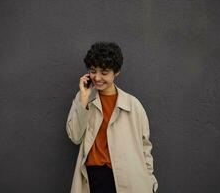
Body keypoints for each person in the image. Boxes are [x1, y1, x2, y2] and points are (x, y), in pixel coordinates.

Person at [66, 42, 158, 193]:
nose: (97, 77)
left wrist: (150, 181)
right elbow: (75, 136)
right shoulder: (83, 98)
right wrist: (83, 99)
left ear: (116, 72)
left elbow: (145, 148)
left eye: (104, 72)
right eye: (93, 71)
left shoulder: (133, 105)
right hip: (93, 177)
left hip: (128, 179)